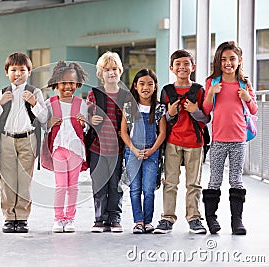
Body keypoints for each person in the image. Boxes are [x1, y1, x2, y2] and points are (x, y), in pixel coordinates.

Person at [202, 41, 258, 235]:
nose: (228, 63)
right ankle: (212, 219)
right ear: (218, 61)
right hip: (218, 140)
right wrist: (210, 93)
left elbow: (254, 109)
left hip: (239, 139)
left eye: (232, 59)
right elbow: (206, 110)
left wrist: (247, 97)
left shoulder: (244, 83)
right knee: (215, 180)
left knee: (236, 180)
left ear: (239, 60)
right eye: (223, 59)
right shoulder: (213, 82)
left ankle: (237, 221)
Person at [154, 49, 210, 234]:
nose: (182, 67)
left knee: (193, 184)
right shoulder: (167, 91)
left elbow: (206, 118)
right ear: (171, 68)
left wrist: (194, 110)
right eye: (178, 64)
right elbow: (161, 119)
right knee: (170, 182)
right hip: (172, 142)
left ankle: (194, 218)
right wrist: (170, 114)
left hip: (195, 142)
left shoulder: (199, 90)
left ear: (192, 67)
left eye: (186, 63)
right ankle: (167, 218)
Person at [0, 52, 48, 233]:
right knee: (7, 181)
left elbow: (44, 118)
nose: (18, 74)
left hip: (28, 139)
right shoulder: (2, 93)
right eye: (13, 70)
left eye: (22, 70)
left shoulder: (35, 92)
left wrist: (34, 103)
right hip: (6, 139)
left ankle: (22, 217)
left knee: (24, 181)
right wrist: (0, 105)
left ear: (29, 71)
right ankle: (9, 217)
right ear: (6, 72)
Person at [87, 51, 130, 233]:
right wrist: (91, 120)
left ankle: (114, 217)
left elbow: (131, 121)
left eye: (114, 69)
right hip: (97, 147)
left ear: (120, 71)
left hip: (117, 148)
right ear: (100, 73)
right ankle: (100, 218)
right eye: (106, 70)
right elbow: (87, 116)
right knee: (99, 184)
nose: (111, 73)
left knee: (115, 184)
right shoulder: (94, 94)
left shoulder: (125, 96)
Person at [44, 61, 88, 233]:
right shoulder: (51, 103)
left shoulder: (81, 103)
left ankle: (70, 219)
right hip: (58, 149)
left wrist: (84, 124)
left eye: (71, 82)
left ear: (77, 84)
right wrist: (49, 123)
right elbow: (42, 124)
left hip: (76, 148)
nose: (67, 86)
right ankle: (58, 218)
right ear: (57, 83)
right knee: (61, 186)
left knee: (73, 186)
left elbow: (87, 126)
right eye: (63, 83)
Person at [120, 69, 166, 234]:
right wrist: (134, 149)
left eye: (150, 84)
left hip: (151, 154)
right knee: (135, 189)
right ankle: (138, 221)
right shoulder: (130, 107)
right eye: (142, 84)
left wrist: (152, 150)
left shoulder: (159, 107)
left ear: (155, 87)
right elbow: (123, 132)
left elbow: (162, 133)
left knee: (148, 190)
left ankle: (148, 221)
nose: (146, 87)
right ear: (135, 86)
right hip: (133, 152)